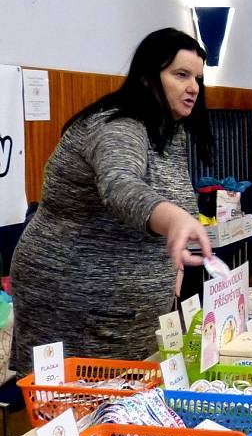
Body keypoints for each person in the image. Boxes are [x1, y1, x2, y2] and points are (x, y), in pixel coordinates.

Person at [11, 28, 213, 371]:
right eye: (181, 75)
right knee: (81, 408)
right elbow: (121, 186)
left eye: (197, 77)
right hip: (78, 297)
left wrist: (174, 260)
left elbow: (169, 192)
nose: (193, 87)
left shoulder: (168, 130)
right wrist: (174, 219)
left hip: (130, 308)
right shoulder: (117, 126)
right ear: (148, 77)